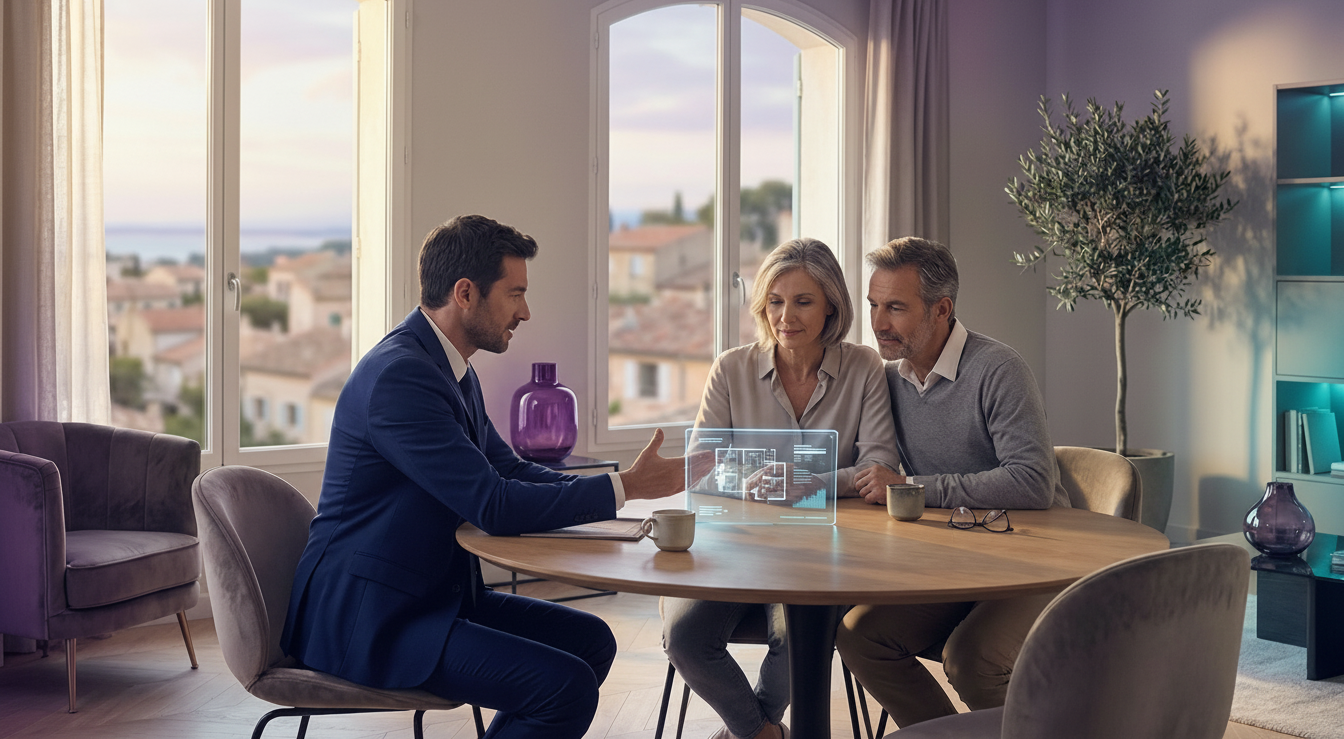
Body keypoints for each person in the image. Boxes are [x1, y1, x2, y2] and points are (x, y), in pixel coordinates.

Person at [280, 214, 686, 739]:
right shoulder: (402, 376)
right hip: (370, 618)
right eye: (514, 293)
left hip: (429, 597)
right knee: (564, 687)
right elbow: (493, 504)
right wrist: (625, 488)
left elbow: (510, 469)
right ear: (466, 293)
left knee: (592, 642)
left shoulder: (450, 368)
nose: (526, 311)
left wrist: (618, 493)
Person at [662, 238, 902, 739]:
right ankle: (765, 734)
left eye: (802, 301)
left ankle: (750, 731)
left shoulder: (863, 368)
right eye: (775, 301)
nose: (785, 315)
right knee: (683, 637)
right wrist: (757, 481)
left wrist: (807, 484)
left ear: (832, 304)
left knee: (800, 637)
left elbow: (878, 466)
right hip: (735, 548)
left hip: (825, 552)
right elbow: (701, 468)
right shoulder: (731, 368)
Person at [838, 236, 1070, 728]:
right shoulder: (889, 380)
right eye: (875, 305)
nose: (878, 323)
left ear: (941, 309)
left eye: (896, 307)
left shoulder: (999, 369)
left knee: (972, 660)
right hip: (958, 558)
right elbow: (874, 470)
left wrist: (913, 487)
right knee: (861, 635)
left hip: (1038, 557)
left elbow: (1030, 482)